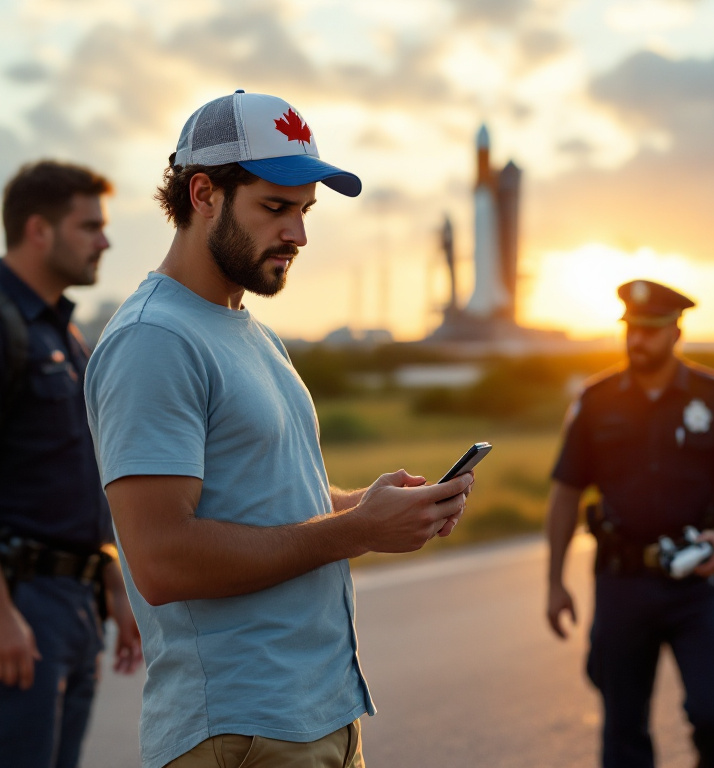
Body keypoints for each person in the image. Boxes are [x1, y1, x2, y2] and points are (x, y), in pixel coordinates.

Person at [83, 90, 474, 768]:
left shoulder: (248, 332)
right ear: (203, 193)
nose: (297, 233)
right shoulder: (154, 340)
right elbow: (162, 559)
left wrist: (370, 506)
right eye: (275, 207)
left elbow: (271, 502)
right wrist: (357, 532)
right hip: (240, 731)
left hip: (315, 711)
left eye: (304, 211)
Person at [0, 160, 142, 768]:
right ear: (39, 230)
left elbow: (71, 479)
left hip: (73, 600)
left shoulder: (64, 338)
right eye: (90, 226)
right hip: (13, 596)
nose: (105, 240)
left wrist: (111, 580)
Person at [545, 279, 714, 768]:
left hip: (698, 584)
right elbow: (565, 494)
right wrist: (554, 583)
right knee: (623, 733)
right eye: (631, 329)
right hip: (622, 584)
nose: (638, 340)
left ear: (676, 332)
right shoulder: (595, 401)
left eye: (650, 330)